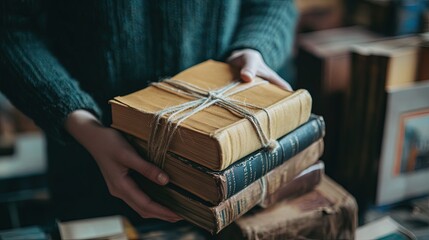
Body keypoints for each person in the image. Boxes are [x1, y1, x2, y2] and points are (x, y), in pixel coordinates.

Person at [0, 0, 297, 224]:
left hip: (229, 163)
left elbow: (274, 4)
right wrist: (81, 123)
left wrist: (255, 48)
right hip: (91, 156)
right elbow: (9, 25)